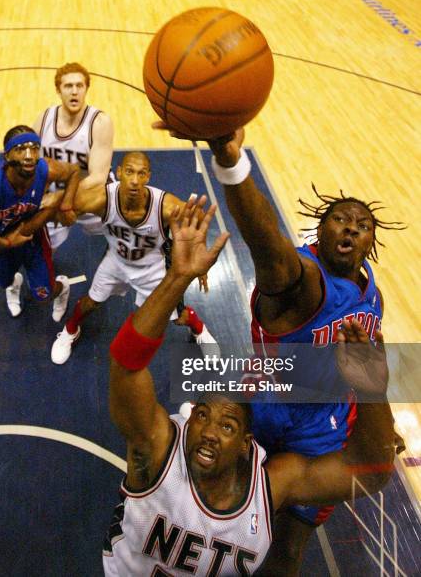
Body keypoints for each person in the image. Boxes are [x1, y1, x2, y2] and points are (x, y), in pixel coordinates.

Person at [155, 125, 405, 575]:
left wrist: (374, 419)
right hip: (266, 407)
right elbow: (265, 241)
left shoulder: (373, 296)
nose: (351, 226)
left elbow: (366, 372)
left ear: (372, 242)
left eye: (363, 224)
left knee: (289, 547)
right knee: (219, 514)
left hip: (322, 427)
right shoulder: (300, 277)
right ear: (320, 230)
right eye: (340, 219)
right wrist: (231, 163)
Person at [103, 196, 395, 576]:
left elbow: (370, 471)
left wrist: (373, 398)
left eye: (227, 425)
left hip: (320, 420)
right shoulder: (154, 456)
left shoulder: (269, 486)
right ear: (183, 423)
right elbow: (125, 365)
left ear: (248, 444)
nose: (210, 430)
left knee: (289, 549)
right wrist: (176, 278)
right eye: (203, 415)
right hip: (275, 397)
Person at [49, 151, 218, 364]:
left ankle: (198, 327)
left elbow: (198, 219)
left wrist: (200, 259)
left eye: (141, 174)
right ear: (119, 172)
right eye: (129, 172)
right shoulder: (101, 199)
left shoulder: (166, 206)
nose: (135, 180)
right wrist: (61, 211)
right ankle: (70, 330)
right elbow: (65, 205)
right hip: (116, 261)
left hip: (152, 267)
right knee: (90, 302)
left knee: (175, 317)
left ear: (148, 177)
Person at [0, 125, 80, 320]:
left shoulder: (46, 169)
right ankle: (14, 284)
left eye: (34, 148)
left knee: (43, 295)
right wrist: (0, 243)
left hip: (33, 237)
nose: (29, 155)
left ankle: (62, 288)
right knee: (6, 281)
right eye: (20, 149)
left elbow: (74, 172)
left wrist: (66, 205)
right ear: (7, 155)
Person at [33, 62, 114, 250]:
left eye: (80, 86)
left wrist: (60, 197)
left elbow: (97, 178)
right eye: (68, 86)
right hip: (54, 196)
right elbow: (32, 163)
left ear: (86, 89)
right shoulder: (44, 118)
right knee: (43, 247)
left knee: (124, 237)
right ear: (58, 90)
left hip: (91, 195)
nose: (74, 91)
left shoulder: (99, 122)